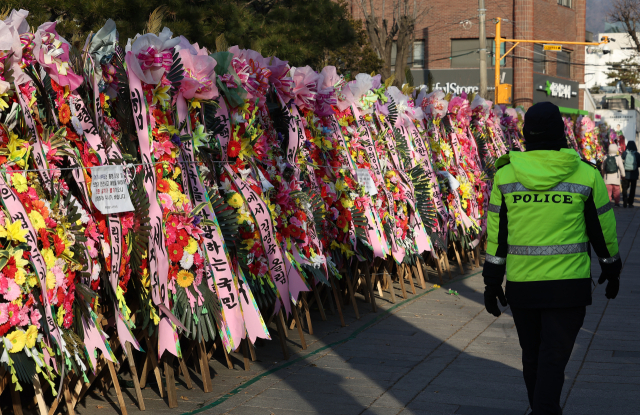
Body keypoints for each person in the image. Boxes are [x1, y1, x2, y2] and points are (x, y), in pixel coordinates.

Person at [483, 102, 621, 415]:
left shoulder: (505, 176)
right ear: (562, 133)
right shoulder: (586, 175)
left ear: (525, 134)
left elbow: (497, 235)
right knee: (552, 361)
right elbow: (603, 229)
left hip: (523, 287)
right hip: (568, 288)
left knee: (532, 359)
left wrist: (492, 281)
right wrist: (612, 268)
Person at [621, 141, 640, 208]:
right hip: (634, 174)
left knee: (624, 187)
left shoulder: (625, 153)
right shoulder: (637, 154)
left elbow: (621, 161)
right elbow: (639, 164)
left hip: (626, 173)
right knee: (633, 189)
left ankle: (625, 200)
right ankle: (630, 203)